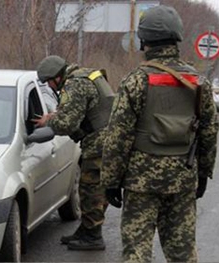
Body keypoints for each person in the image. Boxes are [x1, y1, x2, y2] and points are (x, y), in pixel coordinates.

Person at [101, 5, 218, 263]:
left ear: (144, 41)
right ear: (177, 37)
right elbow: (209, 132)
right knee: (183, 253)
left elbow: (118, 136)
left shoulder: (136, 81)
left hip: (141, 182)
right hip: (183, 179)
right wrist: (203, 173)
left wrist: (110, 180)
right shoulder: (198, 82)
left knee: (137, 252)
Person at [34, 55, 115, 250]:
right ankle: (87, 230)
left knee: (91, 190)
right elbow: (82, 110)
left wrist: (48, 121)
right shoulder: (86, 75)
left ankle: (93, 236)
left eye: (50, 84)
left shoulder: (75, 85)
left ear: (56, 77)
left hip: (99, 145)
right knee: (95, 188)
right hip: (108, 140)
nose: (51, 88)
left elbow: (66, 124)